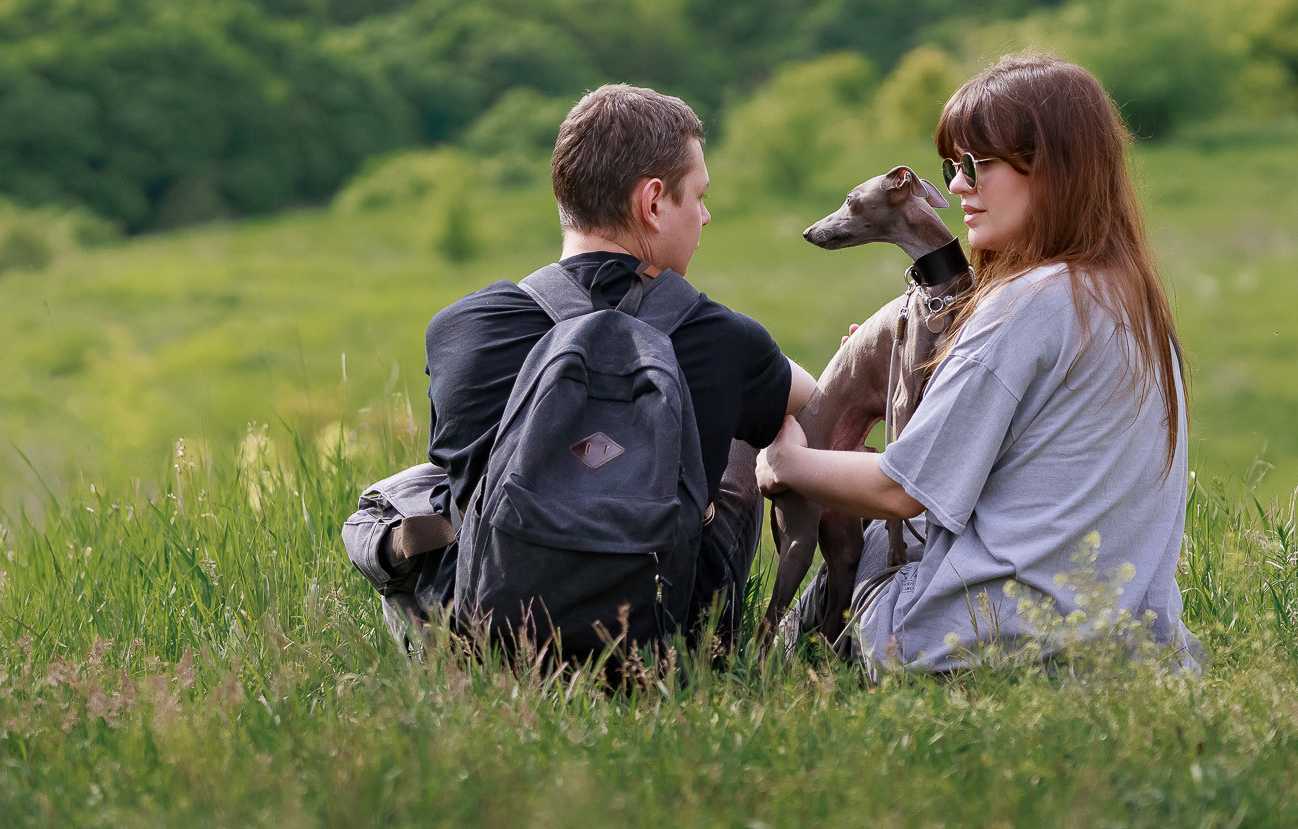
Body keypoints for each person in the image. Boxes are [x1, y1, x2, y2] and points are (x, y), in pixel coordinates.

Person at [758, 52, 1204, 675]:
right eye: (952, 166)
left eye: (978, 166)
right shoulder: (1131, 299)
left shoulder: (1027, 304)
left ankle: (759, 681)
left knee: (859, 541)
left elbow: (900, 491)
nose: (958, 186)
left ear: (1053, 171)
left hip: (984, 648)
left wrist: (788, 461)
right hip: (1136, 657)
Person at [426, 83, 817, 654]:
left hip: (495, 641)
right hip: (661, 646)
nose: (706, 218)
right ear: (653, 203)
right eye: (698, 197)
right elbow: (809, 394)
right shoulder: (724, 341)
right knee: (751, 434)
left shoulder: (461, 329)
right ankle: (721, 642)